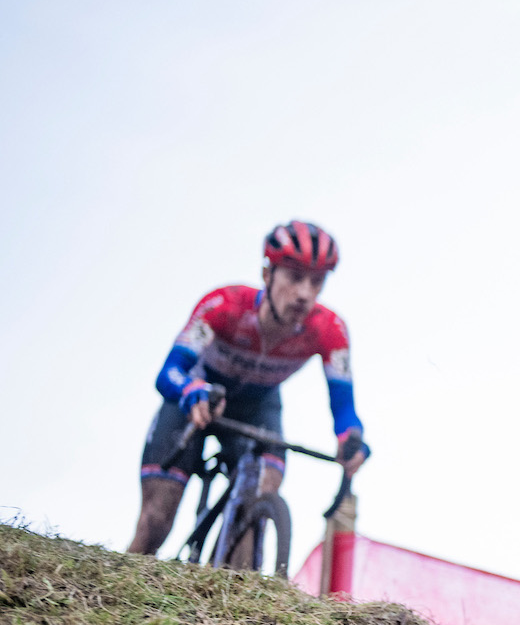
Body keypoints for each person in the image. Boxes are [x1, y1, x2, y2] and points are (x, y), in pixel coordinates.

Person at [129, 221, 369, 555]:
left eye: (317, 281)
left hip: (259, 406)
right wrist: (189, 391)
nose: (305, 293)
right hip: (199, 398)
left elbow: (344, 409)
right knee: (156, 520)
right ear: (268, 274)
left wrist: (351, 438)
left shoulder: (330, 330)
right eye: (294, 277)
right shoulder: (223, 306)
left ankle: (231, 581)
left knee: (260, 495)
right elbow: (169, 372)